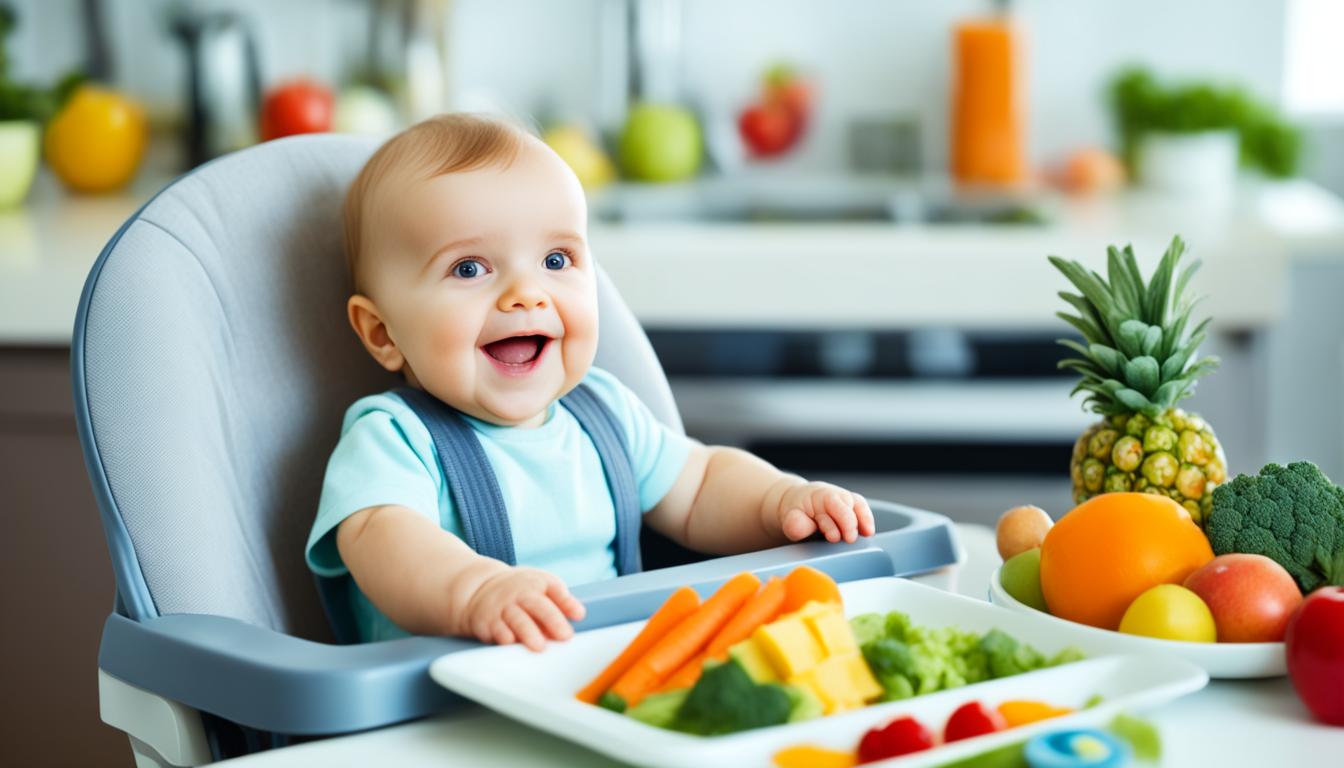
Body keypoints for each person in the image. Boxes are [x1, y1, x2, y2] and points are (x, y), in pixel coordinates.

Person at [306, 114, 875, 649]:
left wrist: (780, 499)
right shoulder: (394, 440)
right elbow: (384, 540)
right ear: (382, 334)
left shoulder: (603, 411)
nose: (526, 293)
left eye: (556, 260)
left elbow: (700, 485)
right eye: (470, 268)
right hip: (449, 711)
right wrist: (474, 592)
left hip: (600, 684)